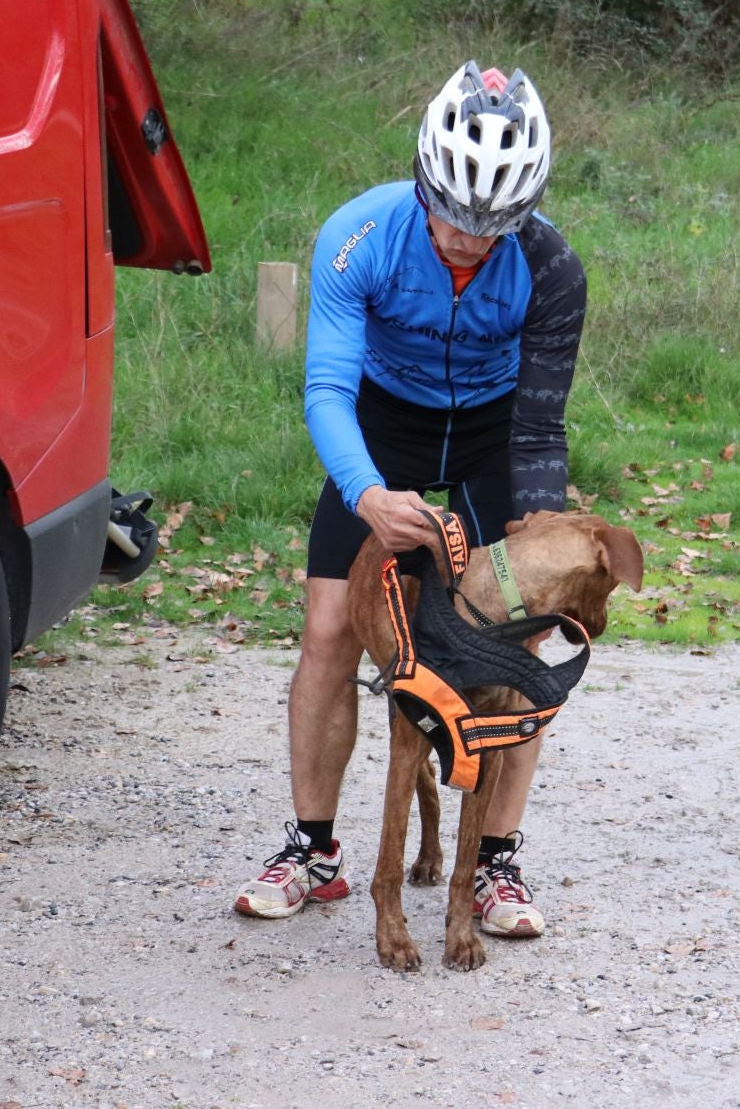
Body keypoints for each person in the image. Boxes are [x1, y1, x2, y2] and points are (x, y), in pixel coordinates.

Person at [232, 61, 585, 940]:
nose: (468, 240)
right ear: (425, 180)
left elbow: (539, 430)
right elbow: (325, 391)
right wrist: (364, 493)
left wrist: (532, 535)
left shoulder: (551, 268)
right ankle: (313, 850)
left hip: (493, 432)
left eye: (493, 227)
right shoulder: (359, 235)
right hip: (381, 421)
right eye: (454, 218)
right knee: (325, 631)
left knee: (519, 647)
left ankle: (495, 863)